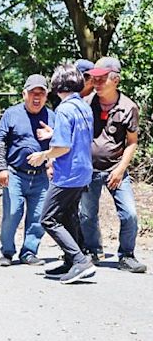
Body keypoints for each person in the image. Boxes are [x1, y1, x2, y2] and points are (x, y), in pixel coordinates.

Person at [28, 63, 95, 284]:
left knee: (48, 218)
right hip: (84, 170)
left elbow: (64, 147)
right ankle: (70, 261)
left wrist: (43, 155)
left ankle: (79, 260)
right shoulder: (83, 106)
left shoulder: (64, 109)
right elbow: (76, 136)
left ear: (57, 85)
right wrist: (53, 133)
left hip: (68, 173)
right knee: (68, 215)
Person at [80, 57, 147, 273]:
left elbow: (132, 142)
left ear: (115, 80)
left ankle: (126, 255)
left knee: (129, 214)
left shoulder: (128, 107)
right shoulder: (86, 103)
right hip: (89, 170)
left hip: (115, 169)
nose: (96, 83)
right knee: (87, 214)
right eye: (94, 78)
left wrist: (120, 169)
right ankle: (92, 251)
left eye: (102, 79)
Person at [0, 74, 54, 267]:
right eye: (33, 93)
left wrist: (52, 160)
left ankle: (29, 252)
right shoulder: (12, 114)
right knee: (12, 213)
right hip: (15, 174)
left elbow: (62, 144)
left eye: (41, 94)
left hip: (41, 177)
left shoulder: (52, 116)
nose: (37, 98)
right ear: (24, 94)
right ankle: (7, 251)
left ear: (46, 96)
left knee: (38, 216)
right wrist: (1, 168)